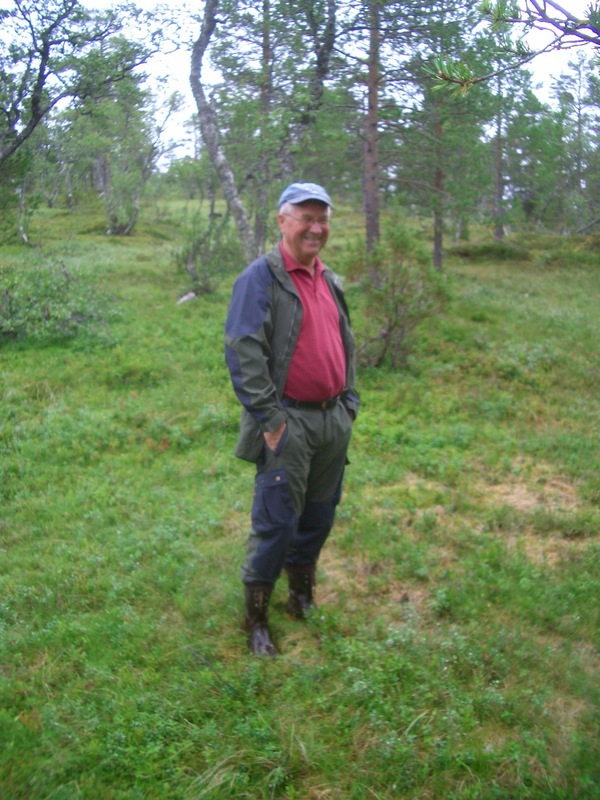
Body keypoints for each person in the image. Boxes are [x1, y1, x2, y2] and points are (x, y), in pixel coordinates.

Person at [224, 182, 359, 656]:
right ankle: (255, 619)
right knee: (277, 521)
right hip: (289, 422)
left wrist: (350, 403)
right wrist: (270, 418)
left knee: (319, 515)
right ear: (282, 221)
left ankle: (301, 597)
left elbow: (345, 344)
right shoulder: (260, 278)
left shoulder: (329, 279)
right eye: (305, 218)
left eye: (322, 219)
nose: (316, 228)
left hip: (331, 421)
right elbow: (244, 350)